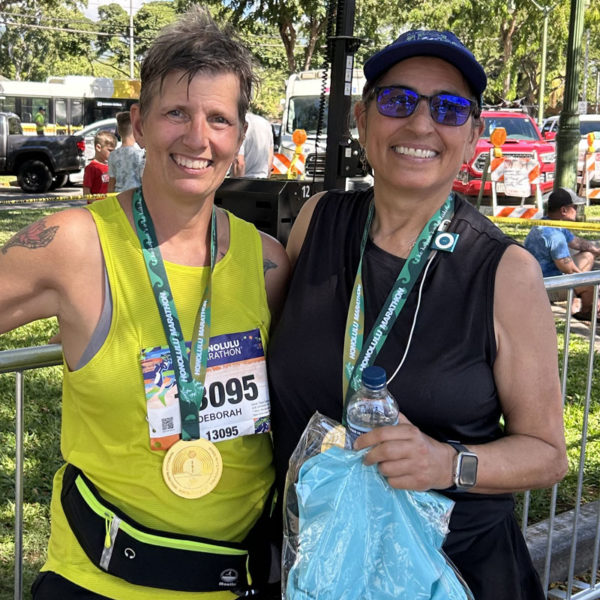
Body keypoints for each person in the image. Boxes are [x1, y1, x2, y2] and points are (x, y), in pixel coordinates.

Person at [268, 29, 568, 600]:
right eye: (398, 100)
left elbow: (549, 455)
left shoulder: (506, 272)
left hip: (446, 574)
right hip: (313, 565)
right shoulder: (318, 219)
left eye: (450, 108)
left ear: (475, 135)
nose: (422, 124)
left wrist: (444, 463)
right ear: (363, 120)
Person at [0, 7, 288, 599]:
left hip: (239, 583)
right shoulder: (76, 244)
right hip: (98, 580)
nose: (196, 138)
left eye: (218, 119)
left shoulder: (267, 263)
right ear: (139, 123)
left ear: (238, 138)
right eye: (175, 113)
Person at [524, 186, 600, 320]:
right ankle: (587, 313)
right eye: (574, 207)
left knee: (588, 255)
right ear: (564, 210)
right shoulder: (554, 235)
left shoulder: (550, 223)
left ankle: (576, 299)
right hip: (544, 286)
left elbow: (577, 243)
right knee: (591, 284)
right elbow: (570, 269)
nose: (577, 210)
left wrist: (597, 251)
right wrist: (591, 289)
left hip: (541, 277)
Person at [107, 110, 145, 193]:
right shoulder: (141, 154)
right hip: (136, 199)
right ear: (136, 131)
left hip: (119, 198)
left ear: (119, 132)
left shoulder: (113, 155)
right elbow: (144, 181)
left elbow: (111, 184)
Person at [232, 112, 274, 178]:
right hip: (263, 179)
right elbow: (270, 158)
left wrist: (237, 185)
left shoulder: (241, 122)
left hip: (244, 181)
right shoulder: (266, 124)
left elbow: (239, 163)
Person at [83, 130, 116, 200]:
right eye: (110, 150)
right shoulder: (91, 168)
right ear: (98, 147)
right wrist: (94, 204)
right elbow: (86, 191)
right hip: (97, 207)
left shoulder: (111, 166)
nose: (113, 154)